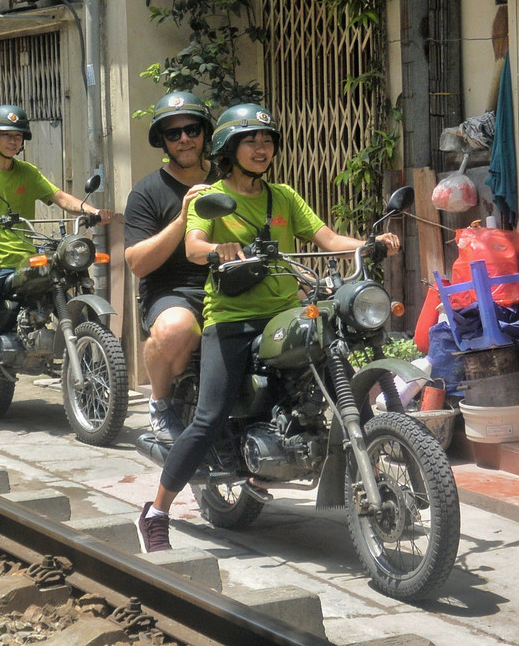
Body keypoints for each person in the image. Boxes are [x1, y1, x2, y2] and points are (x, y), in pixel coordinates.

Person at [137, 104, 401, 552]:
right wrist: (217, 248)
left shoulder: (282, 196)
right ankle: (157, 512)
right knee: (209, 415)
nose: (262, 149)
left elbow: (327, 238)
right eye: (250, 141)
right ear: (228, 148)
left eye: (267, 140)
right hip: (231, 317)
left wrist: (368, 245)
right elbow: (194, 244)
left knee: (335, 354)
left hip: (283, 309)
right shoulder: (210, 196)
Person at [0, 105, 113, 438]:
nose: (12, 141)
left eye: (17, 136)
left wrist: (89, 210)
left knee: (59, 276)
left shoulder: (27, 172)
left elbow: (58, 196)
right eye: (6, 135)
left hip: (24, 254)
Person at [124, 93, 216, 445]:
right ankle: (161, 404)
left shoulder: (229, 178)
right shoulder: (147, 192)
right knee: (177, 328)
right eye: (173, 133)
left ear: (205, 133)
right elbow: (137, 263)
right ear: (162, 141)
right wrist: (182, 218)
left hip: (233, 285)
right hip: (174, 292)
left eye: (192, 129)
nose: (184, 139)